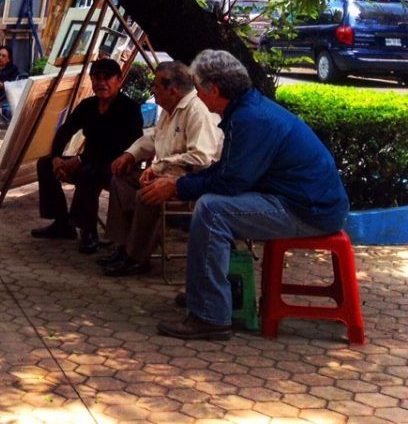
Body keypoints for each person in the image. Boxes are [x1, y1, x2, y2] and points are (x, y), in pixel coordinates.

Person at [140, 50, 349, 341]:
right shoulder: (245, 110)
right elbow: (227, 170)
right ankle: (205, 294)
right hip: (299, 201)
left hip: (309, 211)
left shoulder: (251, 118)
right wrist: (181, 182)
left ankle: (210, 315)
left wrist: (177, 186)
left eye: (198, 89)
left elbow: (230, 182)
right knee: (210, 204)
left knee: (212, 210)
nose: (197, 95)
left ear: (214, 90)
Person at [99, 61, 222, 277]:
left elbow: (202, 157)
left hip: (193, 181)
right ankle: (124, 245)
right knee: (121, 180)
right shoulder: (169, 109)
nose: (152, 90)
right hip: (168, 174)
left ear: (172, 90)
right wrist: (130, 154)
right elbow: (154, 138)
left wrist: (159, 167)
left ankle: (137, 257)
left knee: (148, 193)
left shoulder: (197, 111)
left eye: (156, 86)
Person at [31, 57, 143, 253]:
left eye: (107, 78)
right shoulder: (88, 105)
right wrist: (57, 157)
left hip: (119, 166)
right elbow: (65, 130)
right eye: (96, 78)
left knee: (89, 172)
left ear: (119, 80)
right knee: (45, 164)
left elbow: (119, 146)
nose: (101, 83)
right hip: (89, 161)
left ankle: (88, 230)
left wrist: (81, 160)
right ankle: (62, 223)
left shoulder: (129, 109)